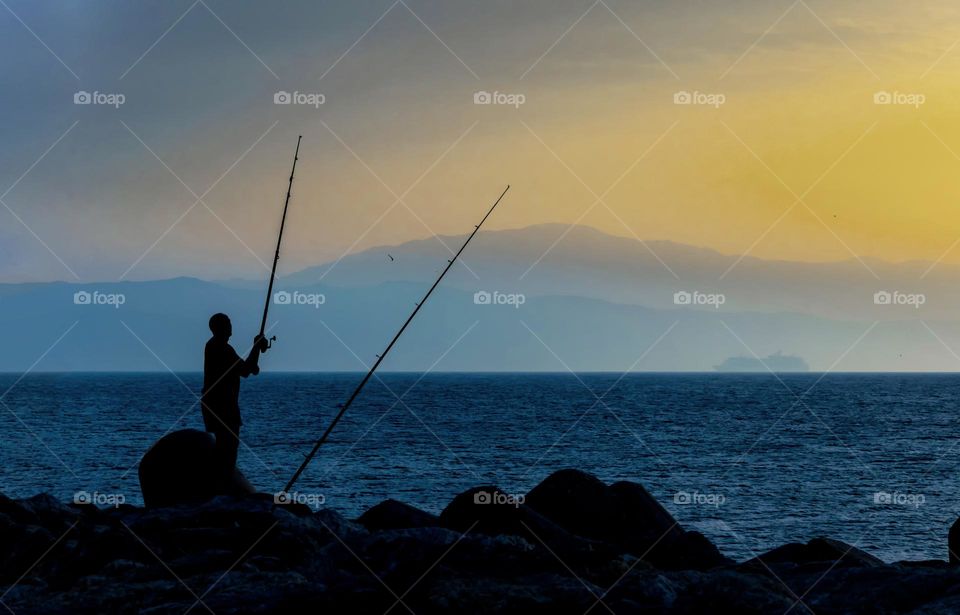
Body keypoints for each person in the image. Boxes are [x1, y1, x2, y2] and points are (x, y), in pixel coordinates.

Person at [200, 313, 267, 486]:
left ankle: (220, 483)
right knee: (228, 447)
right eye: (228, 323)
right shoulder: (221, 348)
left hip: (216, 404)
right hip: (222, 405)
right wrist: (256, 347)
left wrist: (256, 350)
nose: (231, 326)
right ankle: (223, 485)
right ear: (221, 327)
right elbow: (246, 370)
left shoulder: (216, 346)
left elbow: (247, 368)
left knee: (226, 446)